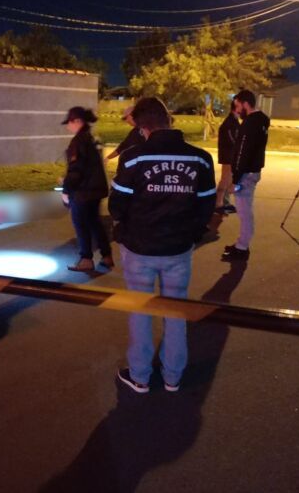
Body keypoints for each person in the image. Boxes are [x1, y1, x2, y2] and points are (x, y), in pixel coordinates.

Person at [108, 97, 216, 393]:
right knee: (175, 311)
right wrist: (192, 234)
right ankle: (172, 377)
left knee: (140, 311)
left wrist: (127, 226)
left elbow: (117, 206)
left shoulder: (133, 157)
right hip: (179, 250)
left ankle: (140, 376)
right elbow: (207, 205)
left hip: (139, 249)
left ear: (143, 127)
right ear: (169, 120)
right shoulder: (200, 158)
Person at [61, 106, 113, 272]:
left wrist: (66, 190)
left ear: (77, 121)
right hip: (96, 190)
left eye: (69, 122)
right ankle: (106, 256)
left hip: (83, 192)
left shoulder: (78, 141)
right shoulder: (92, 138)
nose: (68, 126)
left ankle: (86, 260)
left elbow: (76, 171)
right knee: (95, 224)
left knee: (81, 225)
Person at [222, 89, 269, 261]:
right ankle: (241, 243)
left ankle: (242, 248)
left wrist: (235, 179)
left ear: (245, 103)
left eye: (238, 105)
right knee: (245, 211)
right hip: (253, 171)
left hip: (246, 174)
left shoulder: (250, 123)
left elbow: (242, 152)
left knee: (244, 212)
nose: (237, 109)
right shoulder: (262, 120)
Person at [215, 99, 241, 214]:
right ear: (236, 107)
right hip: (228, 155)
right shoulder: (230, 123)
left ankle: (225, 202)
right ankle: (218, 203)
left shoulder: (234, 121)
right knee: (225, 179)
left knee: (229, 179)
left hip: (231, 155)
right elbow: (233, 140)